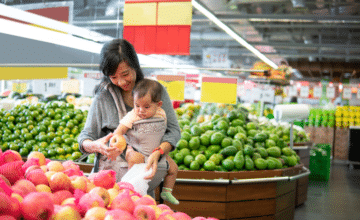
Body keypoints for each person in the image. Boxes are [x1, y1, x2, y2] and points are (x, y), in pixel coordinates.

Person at [77, 39, 181, 198]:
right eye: (113, 77)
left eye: (125, 74)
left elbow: (173, 130)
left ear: (135, 65)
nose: (121, 82)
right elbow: (85, 137)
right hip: (106, 189)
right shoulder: (103, 97)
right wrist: (96, 146)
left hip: (142, 186)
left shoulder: (155, 91)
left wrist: (158, 152)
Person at [109, 78, 179, 205]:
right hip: (138, 151)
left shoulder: (161, 113)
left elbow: (173, 131)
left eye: (146, 107)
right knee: (137, 167)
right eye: (137, 105)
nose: (140, 110)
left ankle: (167, 191)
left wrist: (161, 151)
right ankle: (131, 189)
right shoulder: (132, 115)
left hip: (157, 153)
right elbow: (119, 131)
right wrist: (118, 139)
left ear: (158, 105)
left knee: (173, 168)